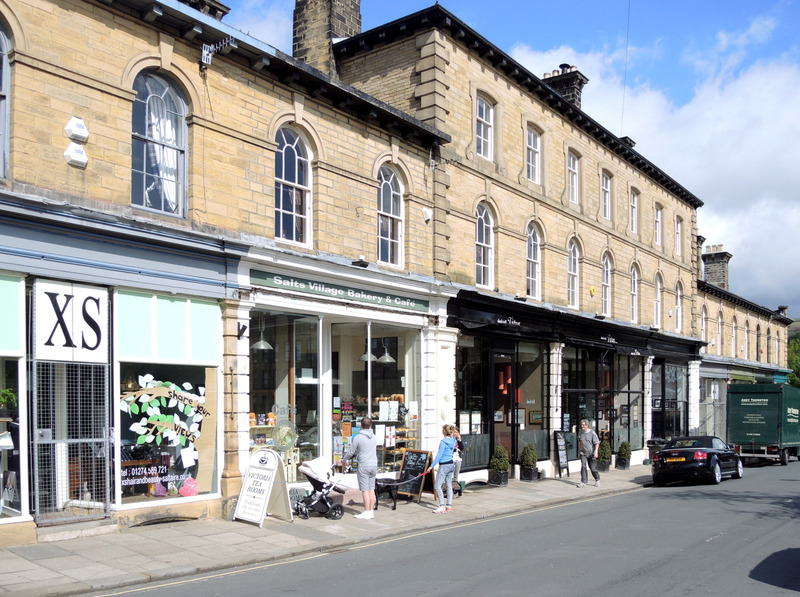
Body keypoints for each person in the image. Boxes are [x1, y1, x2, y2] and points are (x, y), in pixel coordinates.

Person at [343, 416, 378, 519]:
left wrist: (343, 460)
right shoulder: (374, 436)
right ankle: (371, 511)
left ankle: (367, 511)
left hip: (364, 465)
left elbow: (351, 452)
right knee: (371, 488)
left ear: (361, 426)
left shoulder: (358, 438)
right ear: (370, 425)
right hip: (374, 465)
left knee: (365, 490)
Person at [428, 424, 457, 513]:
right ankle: (449, 505)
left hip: (444, 465)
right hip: (451, 465)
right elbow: (451, 435)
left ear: (444, 432)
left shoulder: (443, 442)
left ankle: (442, 506)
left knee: (437, 485)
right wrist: (446, 428)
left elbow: (439, 456)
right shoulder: (453, 440)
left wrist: (431, 466)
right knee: (448, 485)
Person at [577, 419, 600, 488]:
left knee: (592, 468)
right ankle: (583, 482)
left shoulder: (592, 433)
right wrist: (579, 452)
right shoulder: (580, 433)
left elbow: (597, 443)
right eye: (581, 425)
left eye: (583, 425)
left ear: (587, 425)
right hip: (583, 453)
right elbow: (580, 443)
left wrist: (596, 452)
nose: (582, 426)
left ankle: (597, 479)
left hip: (591, 453)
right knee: (583, 466)